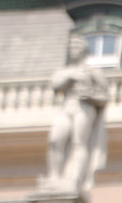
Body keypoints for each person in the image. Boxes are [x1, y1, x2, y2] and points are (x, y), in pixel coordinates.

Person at [42, 37, 109, 194]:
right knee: (55, 140)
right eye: (71, 46)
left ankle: (74, 178)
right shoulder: (64, 72)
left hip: (84, 108)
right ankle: (54, 176)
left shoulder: (93, 72)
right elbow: (55, 85)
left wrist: (90, 96)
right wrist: (71, 76)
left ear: (85, 50)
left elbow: (105, 96)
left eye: (77, 46)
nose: (73, 48)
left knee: (79, 143)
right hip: (67, 107)